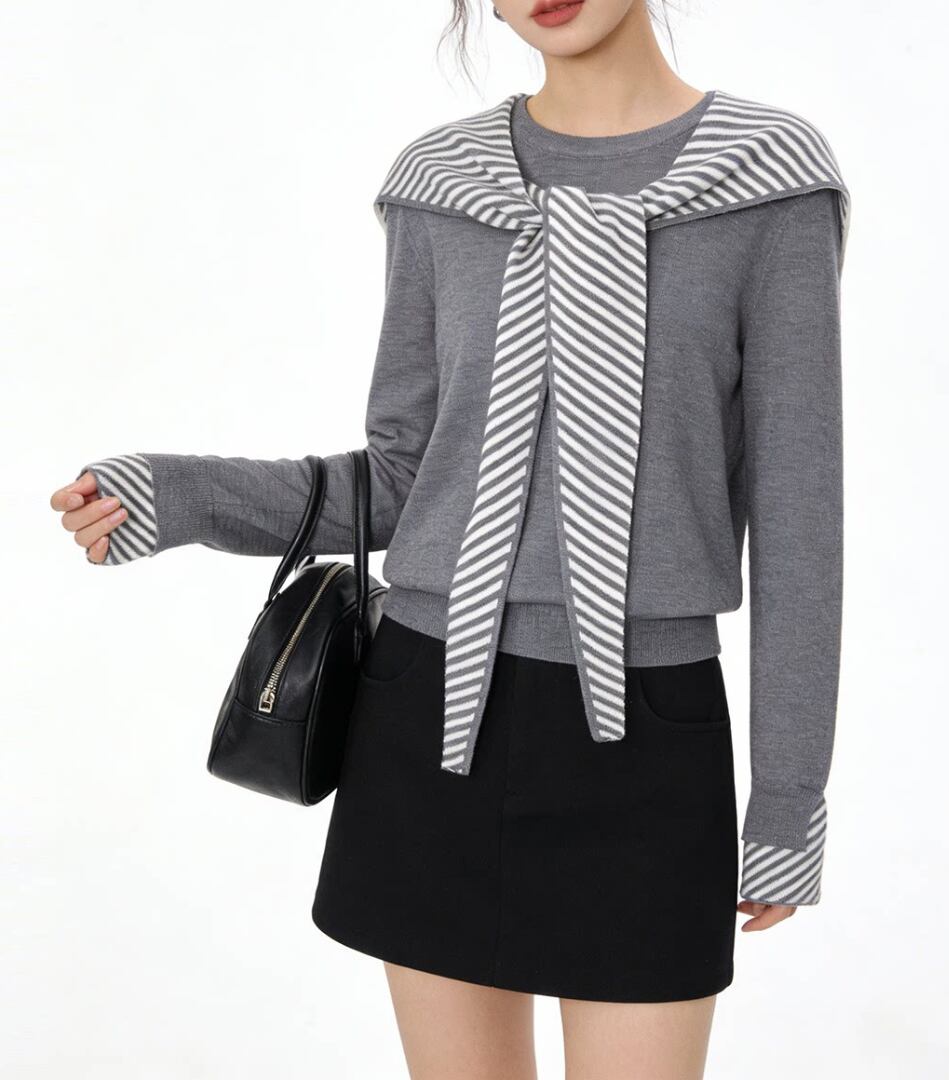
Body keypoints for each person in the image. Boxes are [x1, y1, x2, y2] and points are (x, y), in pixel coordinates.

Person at [50, 2, 850, 1077]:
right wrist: (181, 496)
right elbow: (402, 482)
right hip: (427, 719)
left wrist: (790, 799)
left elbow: (800, 523)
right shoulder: (442, 184)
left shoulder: (769, 184)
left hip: (647, 737)